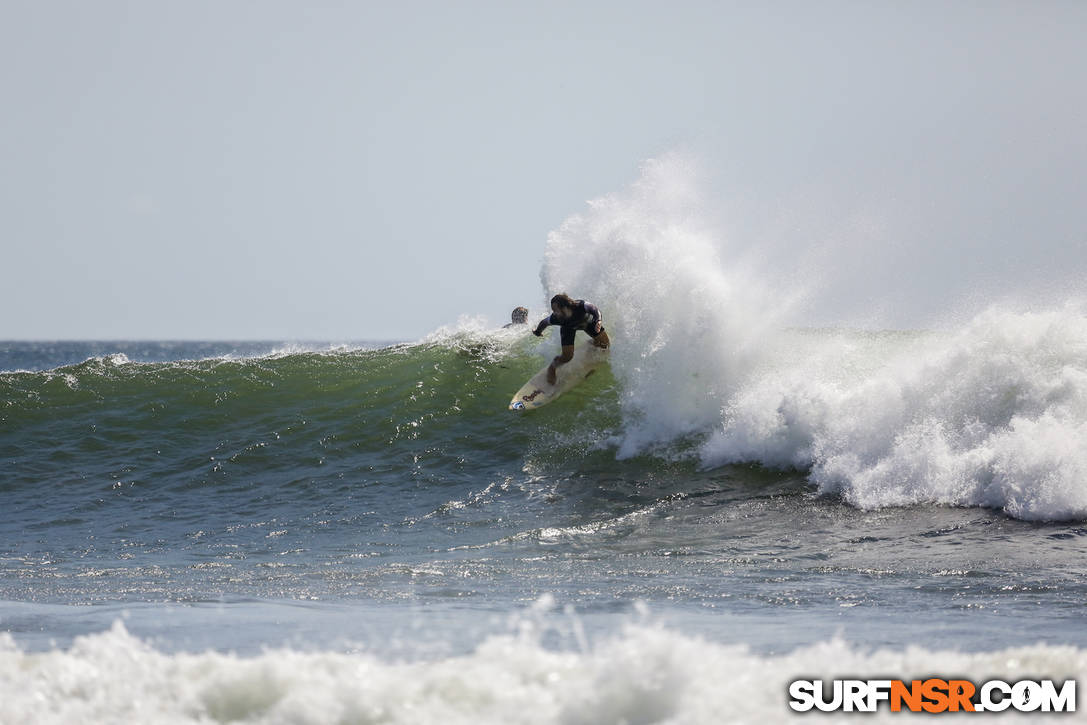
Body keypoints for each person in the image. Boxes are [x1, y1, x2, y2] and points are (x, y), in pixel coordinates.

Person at [532, 293, 610, 384]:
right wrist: (538, 332)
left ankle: (592, 345)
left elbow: (595, 310)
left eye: (556, 310)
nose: (554, 313)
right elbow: (544, 322)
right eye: (553, 311)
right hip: (568, 328)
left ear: (564, 307)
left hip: (589, 324)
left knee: (605, 345)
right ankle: (552, 367)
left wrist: (598, 320)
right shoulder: (557, 318)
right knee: (567, 356)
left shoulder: (580, 305)